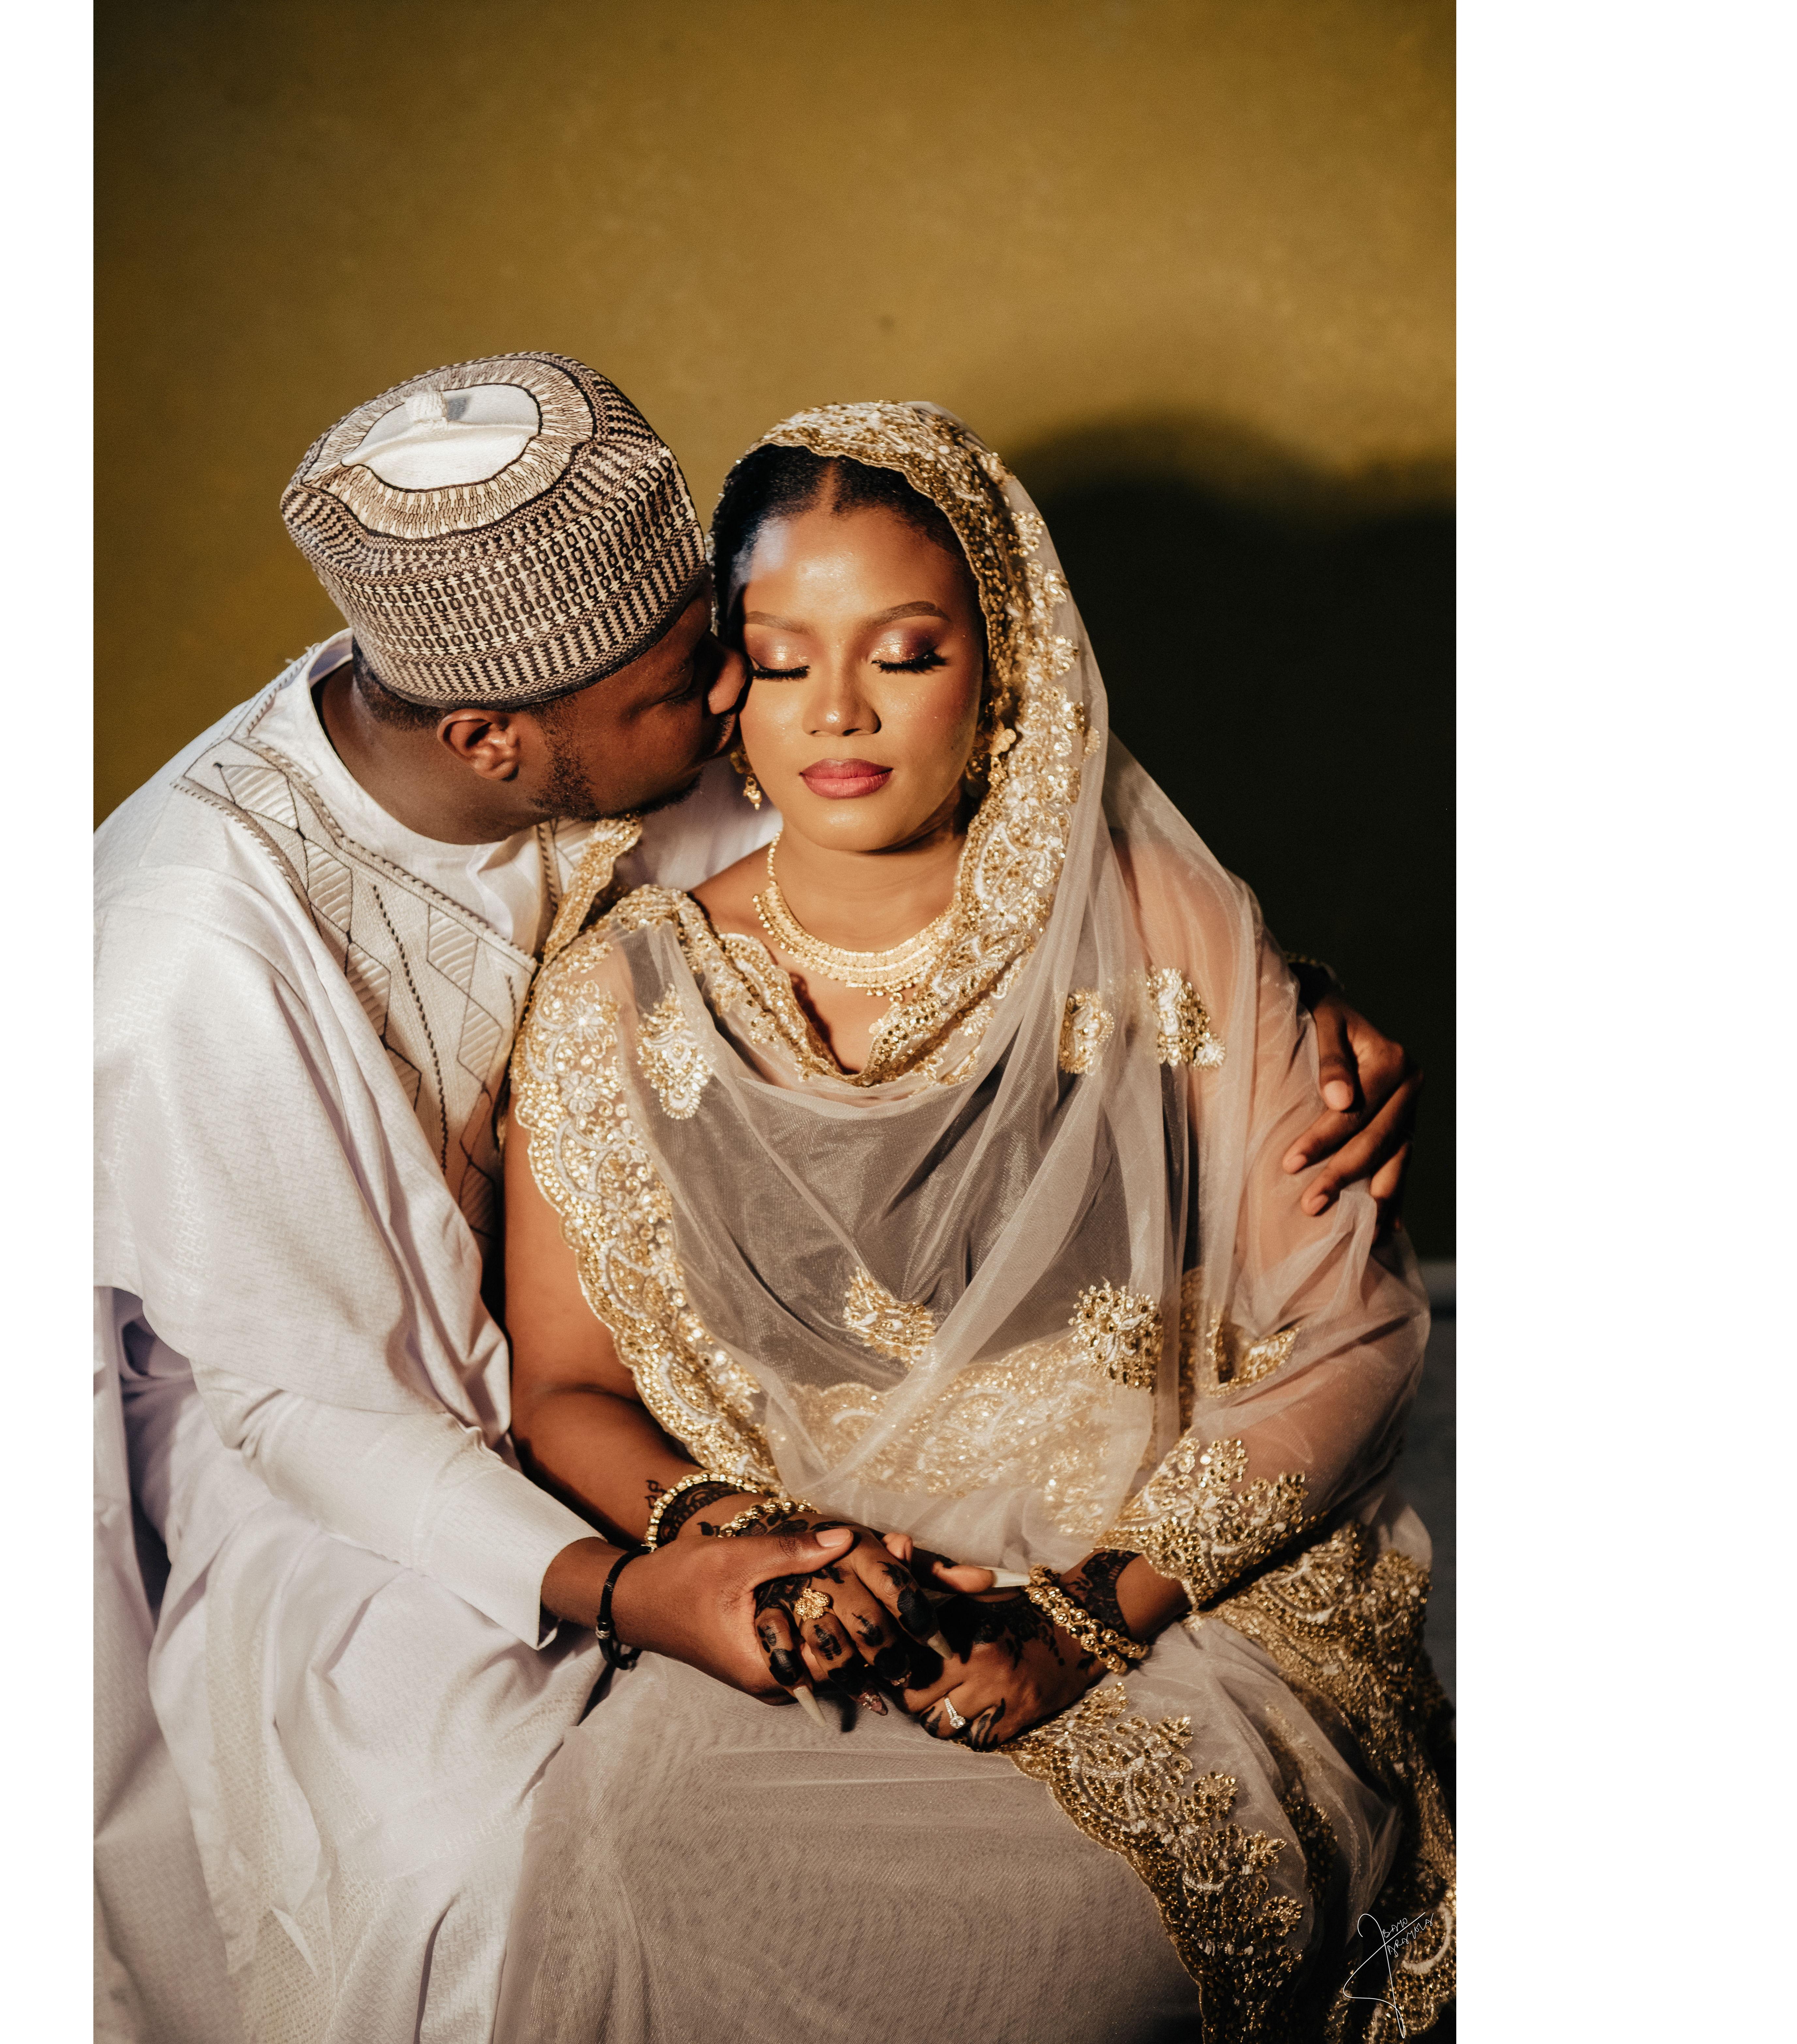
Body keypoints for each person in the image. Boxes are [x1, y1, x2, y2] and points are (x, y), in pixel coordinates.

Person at [94, 356, 1423, 2043]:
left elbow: (1310, 1285)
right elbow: (326, 1407)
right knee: (479, 1876)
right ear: (497, 742)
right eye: (734, 666)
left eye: (748, 645)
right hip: (379, 1462)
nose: (754, 699)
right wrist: (667, 1561)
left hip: (1048, 1524)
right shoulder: (190, 967)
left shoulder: (665, 733)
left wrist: (1267, 1009)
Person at [495, 403, 1454, 2043]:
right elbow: (566, 1386)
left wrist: (1082, 1618)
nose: (839, 712)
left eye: (905, 653)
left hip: (1160, 1584)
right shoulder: (618, 998)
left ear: (1001, 666)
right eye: (782, 659)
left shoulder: (1152, 917)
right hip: (822, 1598)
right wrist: (751, 1549)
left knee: (1028, 1964)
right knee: (640, 1890)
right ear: (727, 684)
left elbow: (1351, 1329)